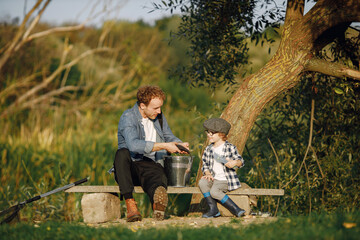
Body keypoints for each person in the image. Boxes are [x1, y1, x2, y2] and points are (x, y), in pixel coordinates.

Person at [112, 85, 189, 222]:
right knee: (121, 154)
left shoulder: (158, 117)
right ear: (142, 106)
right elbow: (134, 145)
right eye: (155, 108)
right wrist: (164, 146)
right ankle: (130, 205)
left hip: (150, 165)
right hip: (130, 167)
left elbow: (168, 136)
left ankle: (157, 204)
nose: (159, 111)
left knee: (158, 176)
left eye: (160, 107)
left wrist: (179, 143)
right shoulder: (128, 117)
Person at [198, 117, 246, 218]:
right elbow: (205, 164)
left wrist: (235, 163)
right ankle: (213, 210)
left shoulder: (230, 148)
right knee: (202, 183)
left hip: (225, 180)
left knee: (214, 192)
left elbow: (241, 161)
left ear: (221, 134)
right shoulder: (209, 149)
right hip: (213, 178)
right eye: (208, 132)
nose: (208, 134)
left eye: (212, 133)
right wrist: (207, 173)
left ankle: (236, 209)